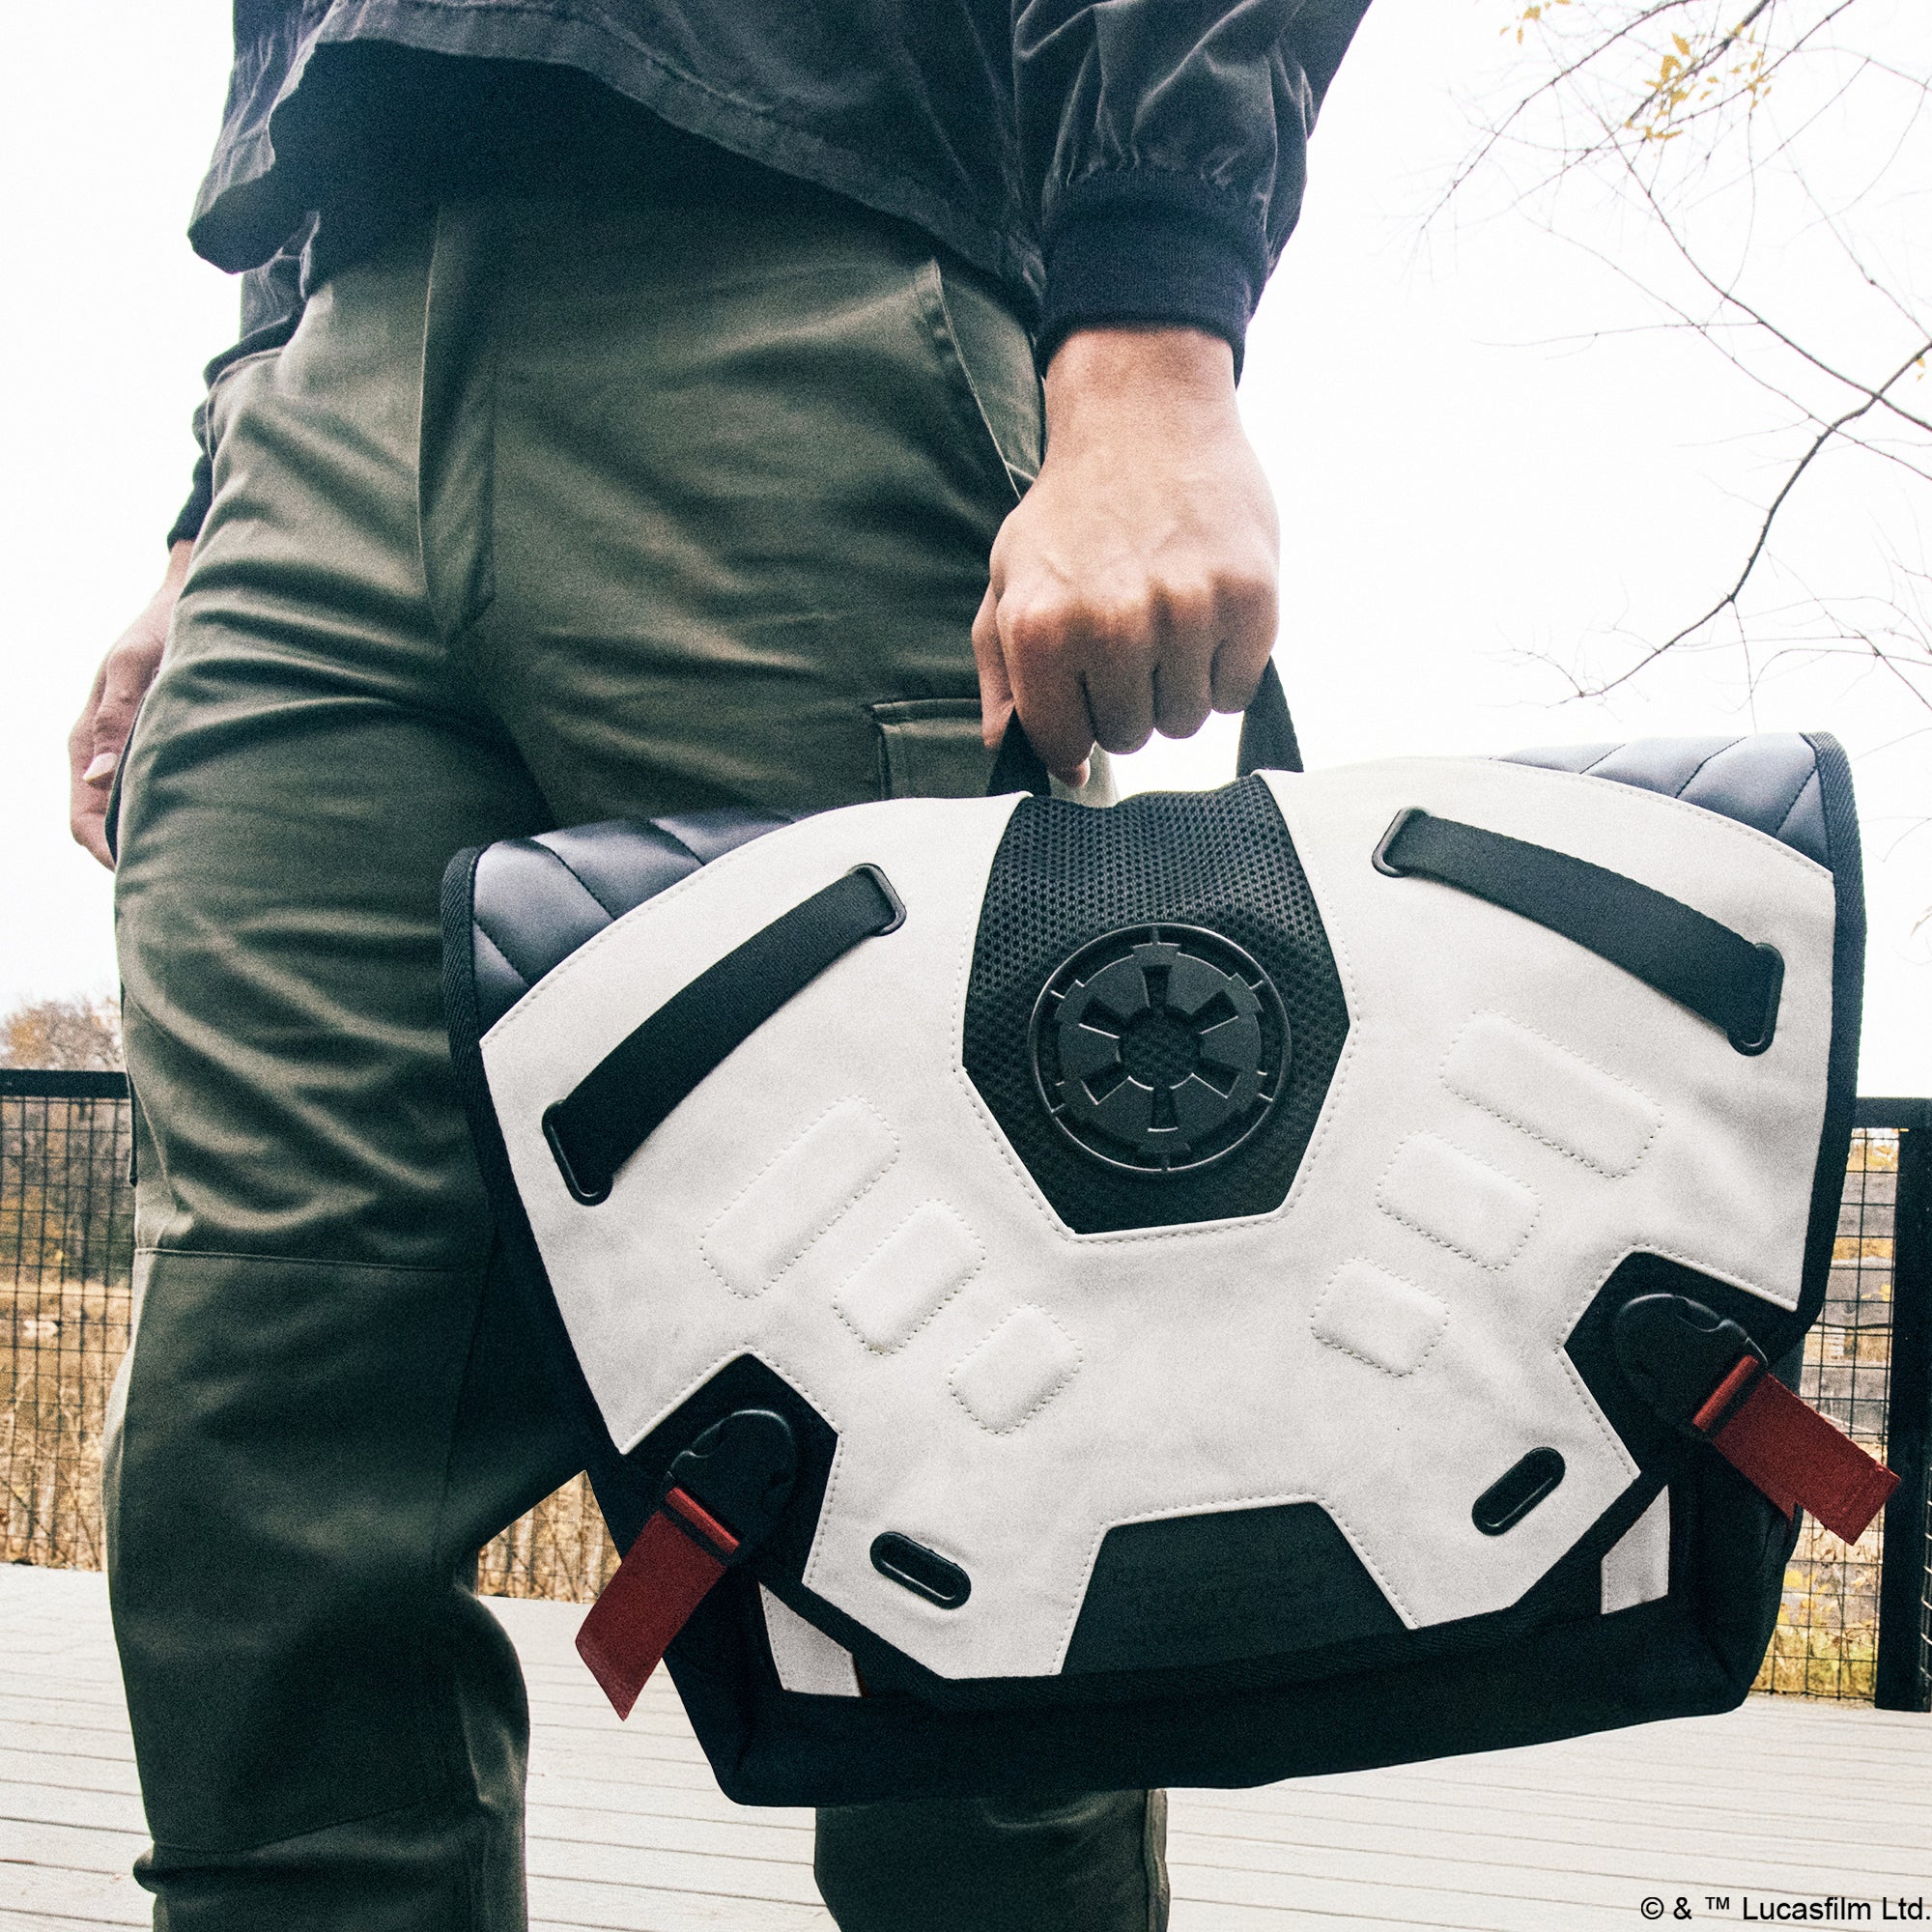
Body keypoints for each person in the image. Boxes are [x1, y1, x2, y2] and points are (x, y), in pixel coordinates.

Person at [67, 7, 1371, 1927]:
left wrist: (1153, 322)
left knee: (951, 1445)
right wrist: (214, 493)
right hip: (319, 391)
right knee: (253, 1462)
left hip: (812, 287)